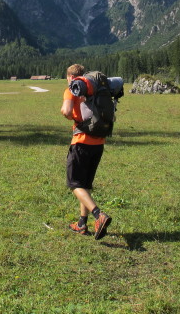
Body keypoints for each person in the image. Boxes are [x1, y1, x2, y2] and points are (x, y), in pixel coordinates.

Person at [60, 64, 112, 240]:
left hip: (81, 142)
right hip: (99, 142)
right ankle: (82, 223)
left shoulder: (71, 89)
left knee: (75, 184)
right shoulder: (94, 88)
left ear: (70, 77)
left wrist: (71, 117)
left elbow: (66, 111)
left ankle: (99, 215)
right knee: (85, 184)